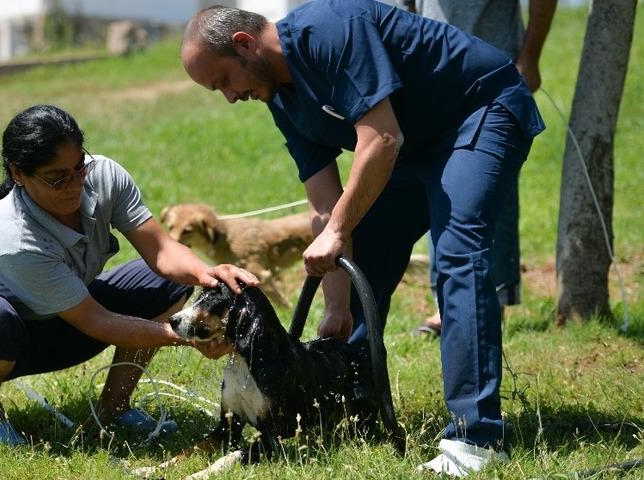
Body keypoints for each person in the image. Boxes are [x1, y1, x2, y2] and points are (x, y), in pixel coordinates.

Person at [180, 1, 544, 476]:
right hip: (411, 145)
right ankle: (356, 411)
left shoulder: (332, 30)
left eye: (224, 81)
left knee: (456, 254)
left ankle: (475, 438)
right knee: (361, 269)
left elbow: (382, 138)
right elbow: (324, 205)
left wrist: (336, 230)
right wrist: (336, 306)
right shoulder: (280, 98)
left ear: (245, 44)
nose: (229, 96)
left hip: (478, 110)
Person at [0, 104, 257, 447]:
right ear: (18, 174)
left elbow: (161, 250)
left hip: (65, 317)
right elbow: (98, 322)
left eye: (78, 168)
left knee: (171, 280)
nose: (74, 184)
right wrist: (190, 336)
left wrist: (209, 274)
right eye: (57, 178)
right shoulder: (13, 236)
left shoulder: (104, 177)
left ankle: (114, 408)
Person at [404, 0, 557, 338]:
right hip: (432, 76)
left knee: (488, 188)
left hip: (495, 74)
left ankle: (494, 298)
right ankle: (445, 303)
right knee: (438, 182)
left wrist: (530, 57)